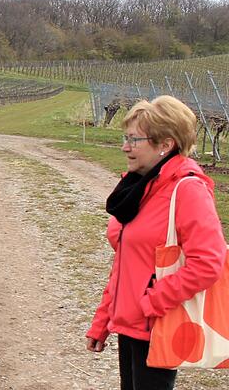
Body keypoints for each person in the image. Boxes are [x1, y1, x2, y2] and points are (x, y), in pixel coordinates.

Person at [86, 95, 226, 389]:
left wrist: (152, 301)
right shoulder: (140, 188)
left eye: (135, 140)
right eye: (126, 138)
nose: (125, 146)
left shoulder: (188, 190)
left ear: (165, 144)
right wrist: (104, 319)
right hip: (131, 325)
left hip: (157, 325)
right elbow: (126, 261)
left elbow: (209, 263)